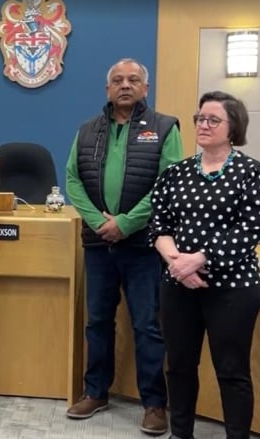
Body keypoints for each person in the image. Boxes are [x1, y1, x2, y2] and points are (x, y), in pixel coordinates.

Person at [64, 58, 181, 435]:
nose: (125, 85)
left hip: (144, 247)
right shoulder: (86, 130)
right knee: (97, 322)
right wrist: (100, 223)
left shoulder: (165, 128)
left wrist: (126, 223)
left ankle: (154, 404)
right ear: (107, 89)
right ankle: (95, 391)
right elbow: (72, 181)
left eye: (133, 80)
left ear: (146, 88)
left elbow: (168, 185)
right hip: (98, 246)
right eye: (117, 80)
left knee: (146, 325)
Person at [149, 91, 260, 439]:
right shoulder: (176, 173)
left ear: (233, 127)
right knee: (179, 368)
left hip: (232, 289)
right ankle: (181, 433)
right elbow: (158, 224)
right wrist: (177, 263)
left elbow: (250, 229)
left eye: (212, 119)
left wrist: (198, 260)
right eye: (199, 118)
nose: (203, 125)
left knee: (232, 371)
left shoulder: (254, 174)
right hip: (178, 286)